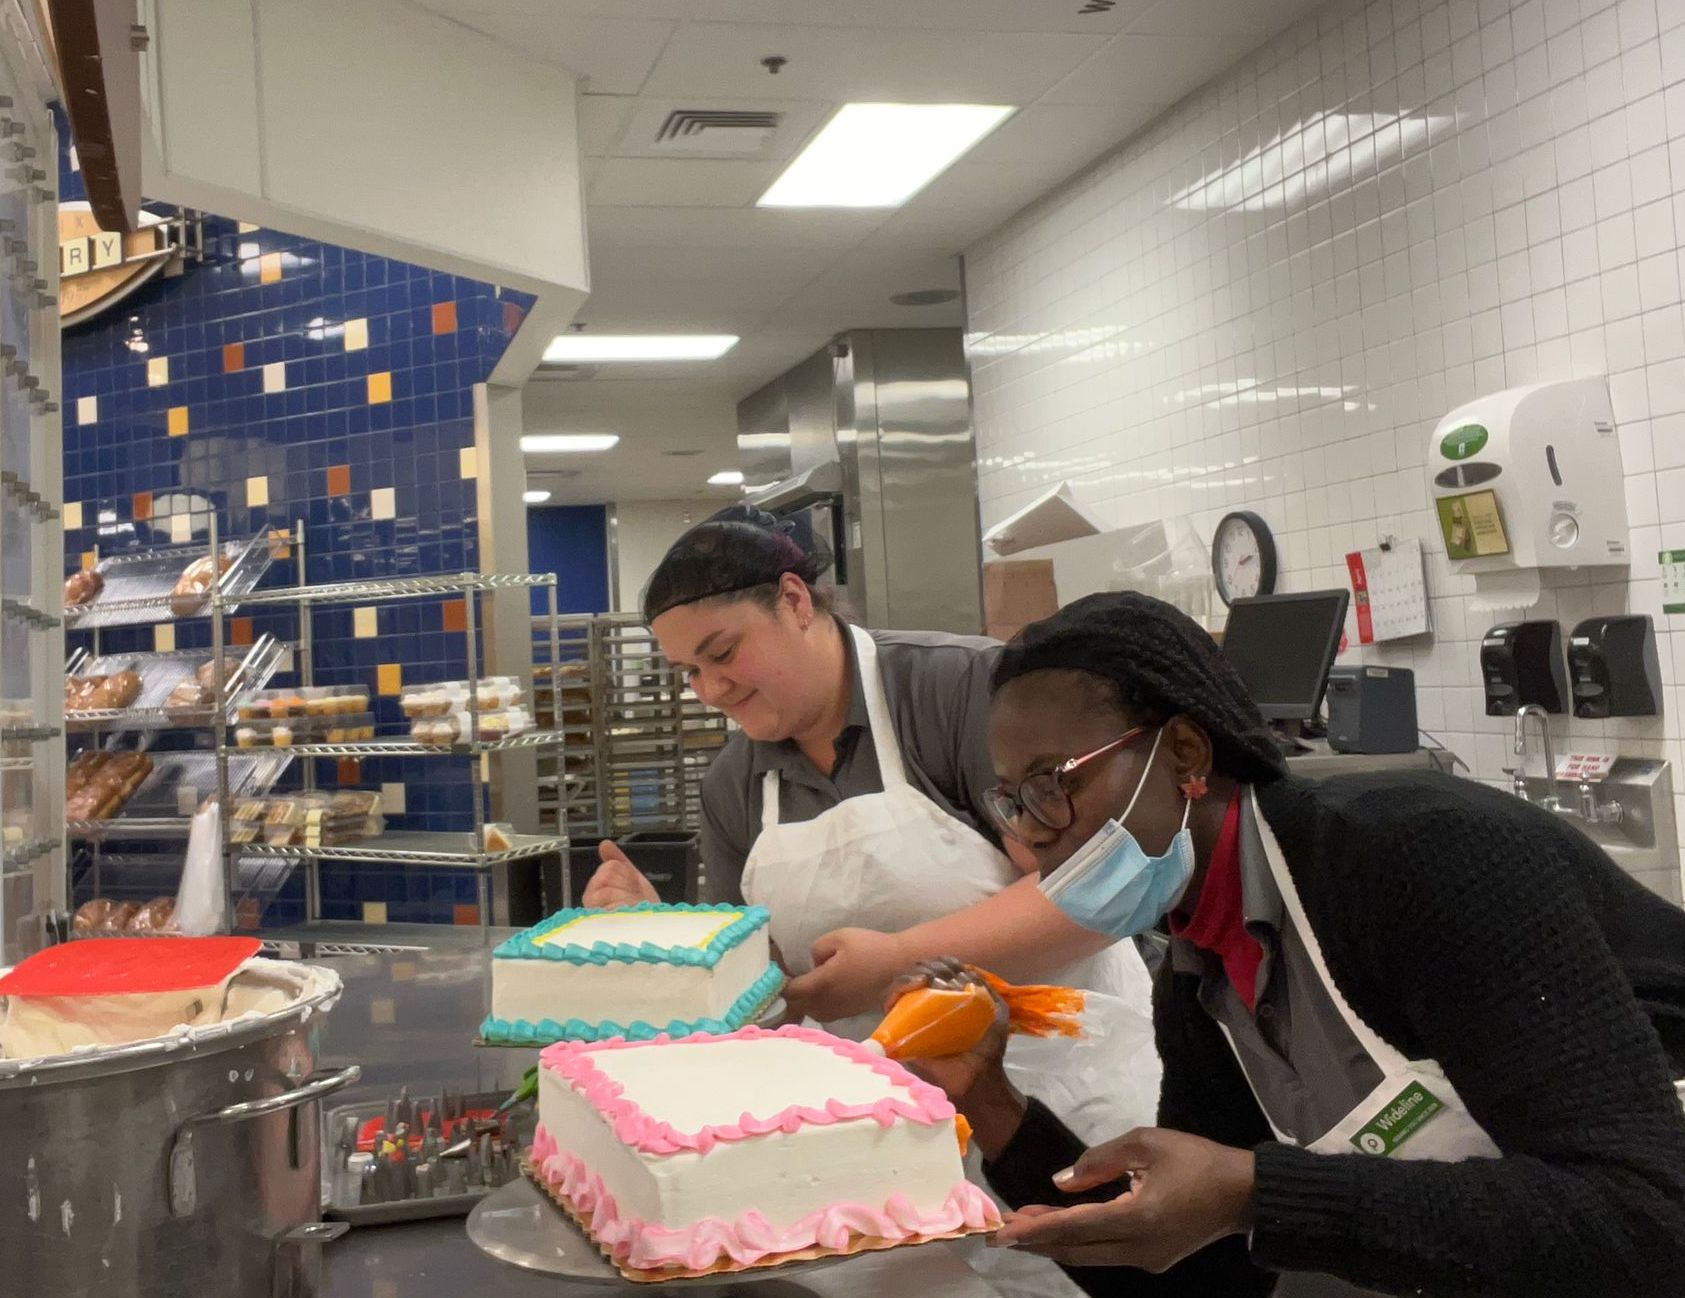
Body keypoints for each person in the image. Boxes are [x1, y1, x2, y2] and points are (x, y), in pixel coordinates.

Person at [892, 591, 1685, 1298]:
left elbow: (1645, 1220)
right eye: (1015, 800)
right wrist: (989, 1102)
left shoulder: (1419, 861)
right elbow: (1206, 1275)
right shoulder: (1202, 972)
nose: (1038, 836)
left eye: (1056, 782)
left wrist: (1256, 1193)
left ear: (1185, 756)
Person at [581, 505, 1149, 1037]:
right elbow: (762, 987)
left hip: (1058, 1069)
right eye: (689, 672)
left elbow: (1101, 887)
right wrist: (672, 934)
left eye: (724, 653)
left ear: (795, 601)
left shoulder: (954, 691)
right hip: (869, 1107)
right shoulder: (734, 785)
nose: (710, 690)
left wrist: (899, 963)